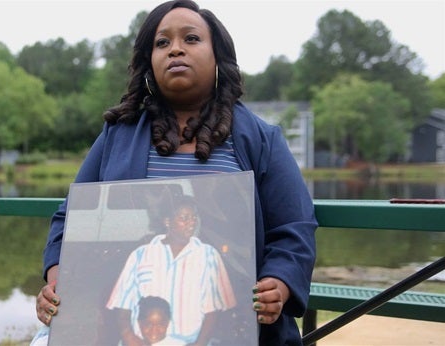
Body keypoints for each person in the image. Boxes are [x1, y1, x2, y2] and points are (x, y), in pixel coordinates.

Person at [35, 1, 318, 345]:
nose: (176, 49)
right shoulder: (117, 136)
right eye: (162, 43)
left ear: (218, 57)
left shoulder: (260, 138)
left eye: (192, 39)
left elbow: (294, 228)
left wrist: (280, 282)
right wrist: (57, 278)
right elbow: (69, 219)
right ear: (148, 63)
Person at [106, 195, 236, 345]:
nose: (191, 223)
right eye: (184, 218)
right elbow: (123, 303)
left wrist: (200, 343)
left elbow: (213, 309)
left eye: (194, 217)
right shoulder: (141, 255)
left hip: (190, 342)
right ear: (167, 222)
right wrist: (130, 338)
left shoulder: (208, 256)